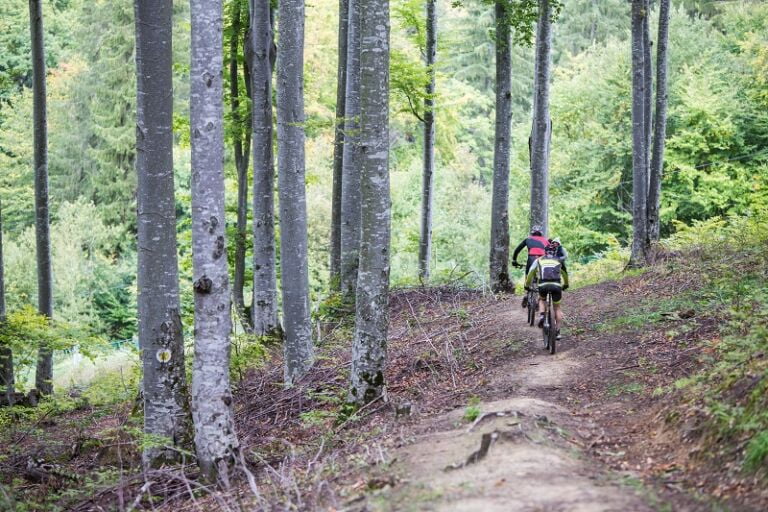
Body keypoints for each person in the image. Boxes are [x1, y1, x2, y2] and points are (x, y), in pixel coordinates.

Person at [525, 242, 569, 339]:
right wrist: (566, 284)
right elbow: (565, 274)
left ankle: (541, 316)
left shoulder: (539, 260)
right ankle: (557, 332)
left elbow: (531, 273)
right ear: (555, 252)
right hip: (556, 285)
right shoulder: (559, 260)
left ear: (545, 252)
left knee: (541, 299)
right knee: (557, 308)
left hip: (543, 285)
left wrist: (527, 285)